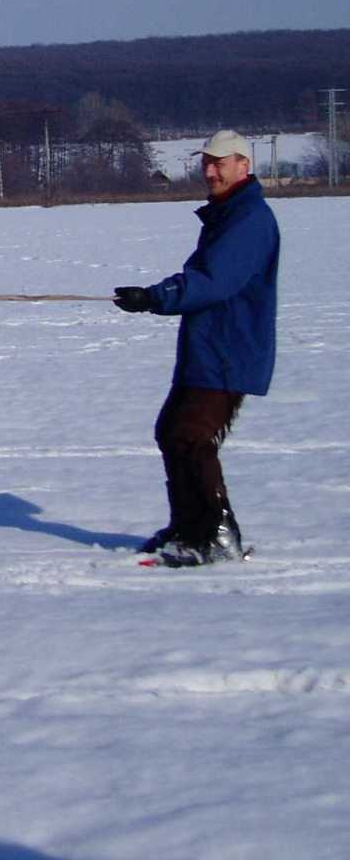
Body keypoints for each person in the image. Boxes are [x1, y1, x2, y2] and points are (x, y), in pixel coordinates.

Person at [112, 128, 279, 566]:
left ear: (244, 165)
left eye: (220, 163)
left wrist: (154, 297)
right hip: (208, 346)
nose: (210, 171)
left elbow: (214, 282)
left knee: (190, 436)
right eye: (206, 162)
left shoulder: (249, 220)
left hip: (229, 349)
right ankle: (188, 526)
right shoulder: (229, 215)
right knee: (173, 431)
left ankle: (217, 535)